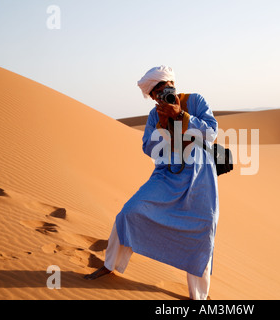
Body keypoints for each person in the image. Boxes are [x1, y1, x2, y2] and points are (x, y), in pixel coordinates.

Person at [84, 66, 219, 300]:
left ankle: (199, 295)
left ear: (171, 84)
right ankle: (109, 265)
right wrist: (162, 123)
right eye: (155, 93)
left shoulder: (195, 101)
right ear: (152, 96)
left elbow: (212, 132)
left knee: (203, 230)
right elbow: (149, 148)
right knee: (129, 212)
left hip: (200, 177)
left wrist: (180, 115)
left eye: (163, 89)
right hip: (166, 175)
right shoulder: (154, 115)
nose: (160, 95)